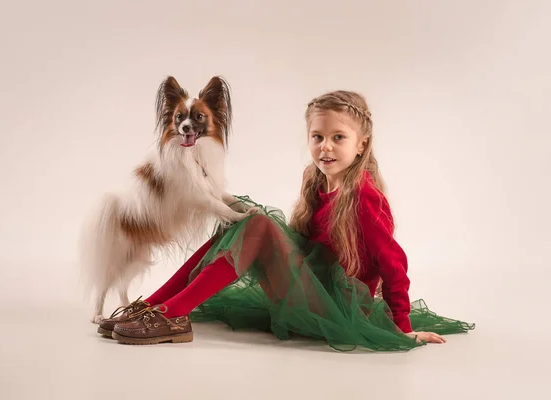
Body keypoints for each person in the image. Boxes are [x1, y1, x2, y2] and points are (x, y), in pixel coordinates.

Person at [96, 90, 475, 351]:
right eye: (318, 136)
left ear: (361, 144)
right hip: (311, 292)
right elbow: (303, 248)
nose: (325, 146)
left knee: (257, 224)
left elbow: (395, 264)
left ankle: (171, 315)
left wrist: (403, 329)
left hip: (340, 308)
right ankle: (156, 306)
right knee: (246, 220)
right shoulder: (315, 181)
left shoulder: (364, 197)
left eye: (338, 137)